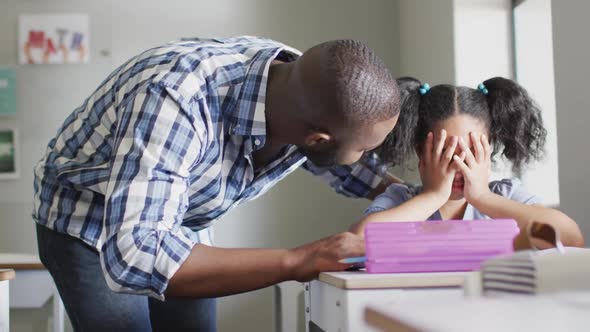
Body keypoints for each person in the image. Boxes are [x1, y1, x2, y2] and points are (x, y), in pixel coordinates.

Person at [32, 36, 401, 331]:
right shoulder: (176, 97)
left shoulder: (309, 93)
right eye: (367, 149)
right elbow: (138, 255)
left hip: (178, 221)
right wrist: (298, 260)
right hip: (88, 219)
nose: (369, 156)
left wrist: (426, 193)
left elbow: (353, 167)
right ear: (316, 138)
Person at [351, 77, 584, 249]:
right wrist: (433, 196)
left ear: (488, 147)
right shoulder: (400, 200)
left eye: (472, 151)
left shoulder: (506, 196)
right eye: (446, 152)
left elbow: (570, 238)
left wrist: (483, 198)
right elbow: (356, 241)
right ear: (421, 151)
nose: (459, 166)